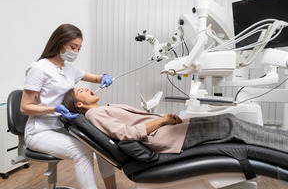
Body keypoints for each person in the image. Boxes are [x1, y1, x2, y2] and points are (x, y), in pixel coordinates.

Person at [20, 24, 117, 189]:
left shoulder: (68, 68)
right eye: (73, 47)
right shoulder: (38, 69)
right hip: (39, 131)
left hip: (61, 127)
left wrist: (104, 77)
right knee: (82, 151)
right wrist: (53, 109)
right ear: (60, 42)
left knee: (102, 144)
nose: (76, 52)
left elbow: (94, 78)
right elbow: (25, 107)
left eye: (79, 48)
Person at [63, 87, 288, 154]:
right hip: (167, 137)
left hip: (171, 130)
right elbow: (126, 134)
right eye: (81, 91)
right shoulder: (94, 114)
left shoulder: (104, 108)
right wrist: (162, 122)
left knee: (229, 121)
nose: (88, 88)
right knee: (230, 125)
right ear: (79, 105)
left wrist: (165, 119)